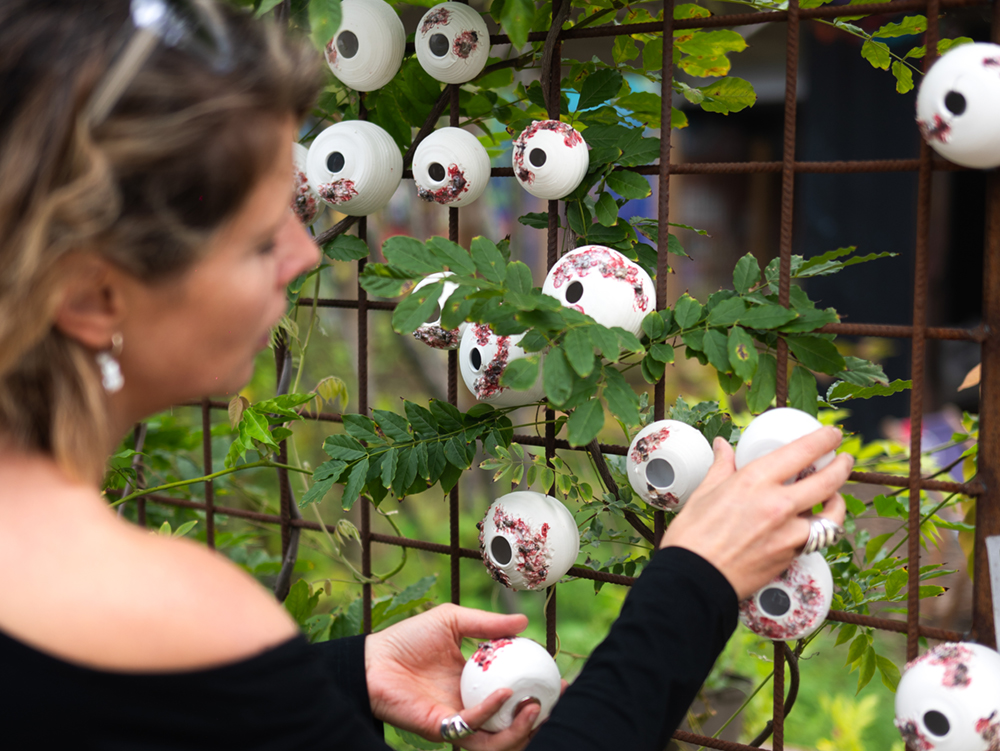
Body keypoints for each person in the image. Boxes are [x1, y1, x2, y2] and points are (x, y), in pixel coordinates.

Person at [0, 1, 853, 748]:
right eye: (258, 240)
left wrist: (334, 679)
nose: (305, 255)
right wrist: (697, 579)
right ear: (93, 293)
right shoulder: (169, 615)